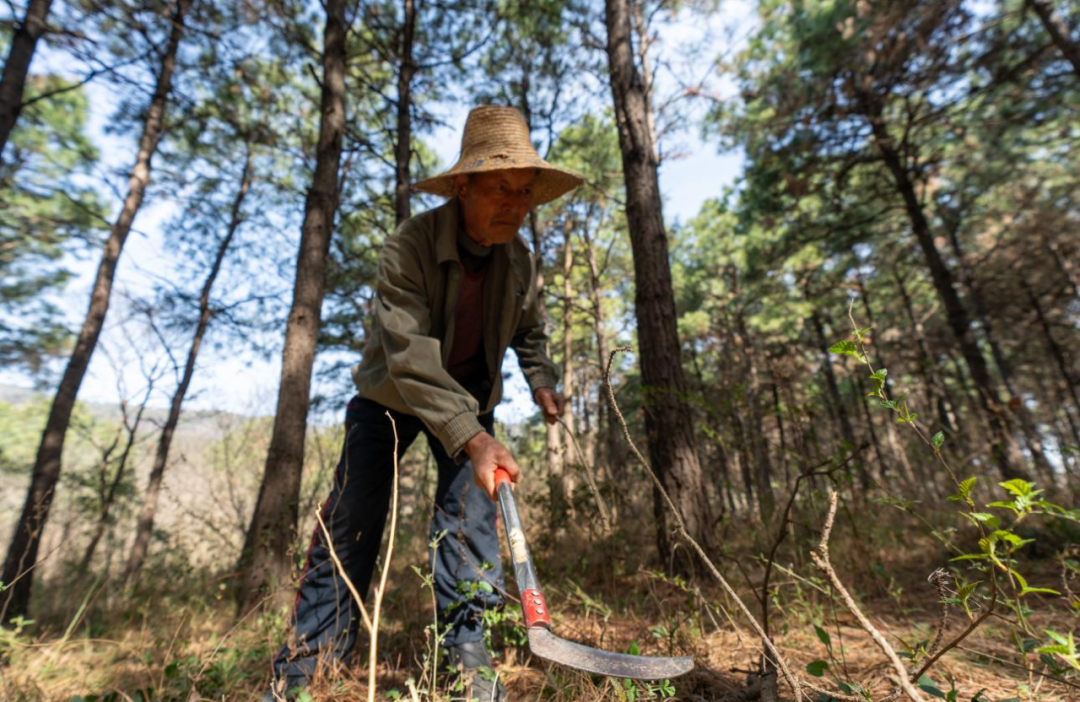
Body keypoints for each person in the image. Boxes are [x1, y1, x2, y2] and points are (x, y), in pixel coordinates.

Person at [264, 105, 584, 702]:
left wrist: (541, 377)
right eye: (498, 190)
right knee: (353, 520)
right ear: (462, 187)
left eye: (524, 192)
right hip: (390, 396)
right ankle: (307, 668)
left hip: (471, 406)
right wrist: (475, 436)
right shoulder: (409, 246)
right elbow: (408, 353)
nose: (514, 206)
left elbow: (531, 332)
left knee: (472, 525)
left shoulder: (520, 263)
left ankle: (466, 660)